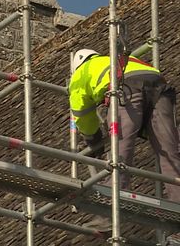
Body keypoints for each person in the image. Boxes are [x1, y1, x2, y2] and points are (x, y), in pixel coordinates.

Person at [69, 49, 180, 238]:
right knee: (170, 154)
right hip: (160, 89)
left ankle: (108, 216)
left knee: (120, 154)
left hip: (125, 89)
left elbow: (81, 113)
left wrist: (92, 139)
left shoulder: (82, 72)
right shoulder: (122, 58)